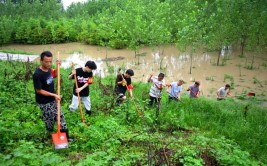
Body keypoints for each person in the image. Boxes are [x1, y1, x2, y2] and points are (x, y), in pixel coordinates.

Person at [33, 51, 73, 141]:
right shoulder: (37, 74)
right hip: (44, 102)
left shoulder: (49, 69)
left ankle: (66, 137)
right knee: (49, 120)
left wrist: (58, 66)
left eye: (50, 61)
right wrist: (54, 94)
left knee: (60, 116)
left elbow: (54, 75)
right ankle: (49, 131)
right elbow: (38, 90)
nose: (49, 64)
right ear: (41, 60)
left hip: (53, 99)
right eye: (46, 62)